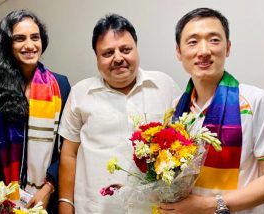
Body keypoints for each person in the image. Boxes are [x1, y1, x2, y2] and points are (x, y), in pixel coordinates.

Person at [158, 8, 264, 214]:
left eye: (214, 40)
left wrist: (208, 205)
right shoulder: (176, 108)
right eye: (193, 41)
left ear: (228, 47)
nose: (204, 51)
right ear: (179, 52)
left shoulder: (257, 102)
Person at [58, 13, 180, 214]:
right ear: (97, 57)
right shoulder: (80, 93)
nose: (118, 58)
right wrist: (65, 204)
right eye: (107, 53)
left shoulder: (164, 86)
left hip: (154, 208)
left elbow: (185, 144)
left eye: (125, 50)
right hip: (94, 209)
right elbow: (69, 154)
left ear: (136, 49)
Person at [0, 10, 71, 213]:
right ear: (8, 44)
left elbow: (67, 146)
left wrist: (49, 187)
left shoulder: (61, 85)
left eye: (35, 37)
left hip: (45, 196)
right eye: (19, 39)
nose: (30, 45)